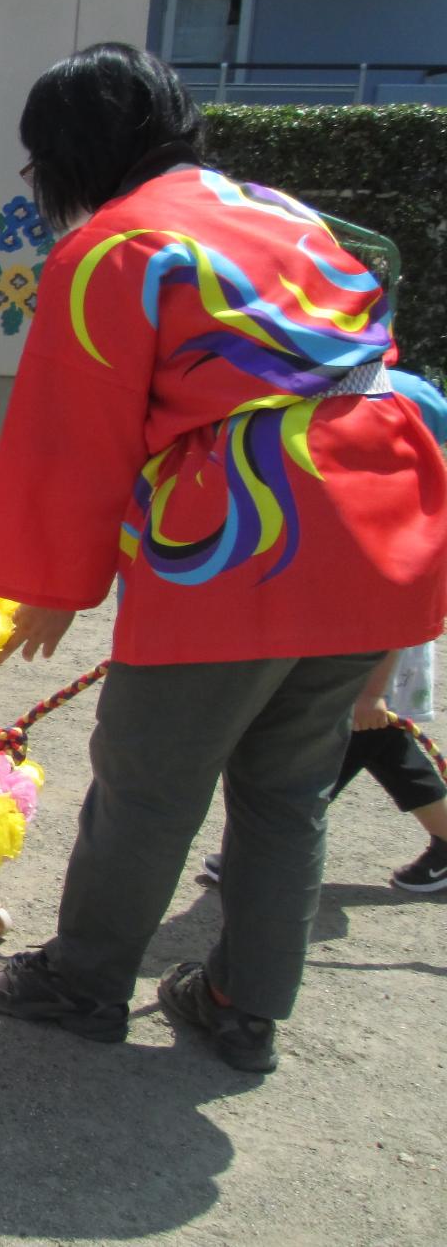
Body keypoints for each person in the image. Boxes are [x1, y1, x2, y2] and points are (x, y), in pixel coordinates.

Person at [0, 42, 447, 1074]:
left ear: (67, 152)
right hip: (372, 527)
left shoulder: (115, 247)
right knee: (285, 791)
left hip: (242, 538)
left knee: (146, 781)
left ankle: (83, 981)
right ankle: (239, 1005)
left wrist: (48, 588)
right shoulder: (278, 211)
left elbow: (72, 431)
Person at [197, 368, 447, 896]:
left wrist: (373, 690)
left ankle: (261, 845)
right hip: (350, 641)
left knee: (333, 745)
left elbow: (390, 610)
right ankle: (260, 843)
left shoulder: (394, 515)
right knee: (353, 742)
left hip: (376, 650)